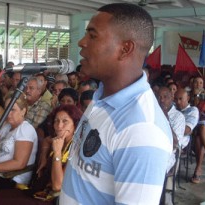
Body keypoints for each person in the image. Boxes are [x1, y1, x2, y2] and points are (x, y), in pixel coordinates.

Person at [59, 3, 173, 205]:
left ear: (125, 49)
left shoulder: (143, 129)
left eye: (92, 36)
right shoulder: (100, 98)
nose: (81, 42)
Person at [0, 104, 82, 205]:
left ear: (76, 124)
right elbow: (46, 141)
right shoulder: (58, 139)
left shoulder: (75, 149)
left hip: (52, 199)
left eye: (65, 121)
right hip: (38, 192)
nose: (59, 126)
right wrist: (44, 157)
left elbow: (57, 186)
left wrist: (57, 153)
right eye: (56, 121)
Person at [0, 93, 38, 189]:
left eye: (12, 110)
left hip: (11, 177)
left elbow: (20, 163)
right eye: (7, 109)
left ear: (23, 111)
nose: (8, 113)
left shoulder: (25, 129)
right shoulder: (6, 126)